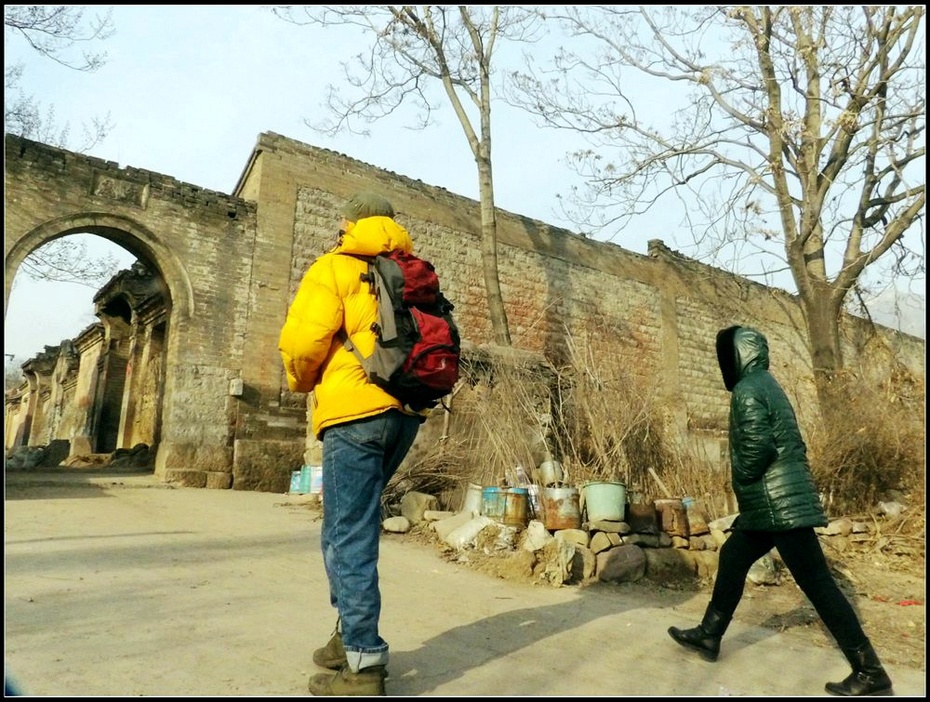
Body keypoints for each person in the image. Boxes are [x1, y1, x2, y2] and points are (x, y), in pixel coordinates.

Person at [667, 325, 893, 697]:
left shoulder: (748, 389)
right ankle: (709, 635)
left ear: (739, 355)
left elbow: (757, 447)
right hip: (771, 505)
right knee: (734, 555)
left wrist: (739, 476)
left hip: (777, 505)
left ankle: (869, 670)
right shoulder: (767, 384)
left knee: (818, 584)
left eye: (726, 353)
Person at [279, 191, 425, 697]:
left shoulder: (335, 267)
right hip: (404, 414)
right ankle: (347, 638)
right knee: (348, 526)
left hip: (355, 416)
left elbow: (303, 342)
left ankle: (363, 664)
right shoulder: (409, 269)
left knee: (348, 534)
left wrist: (302, 382)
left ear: (348, 221)